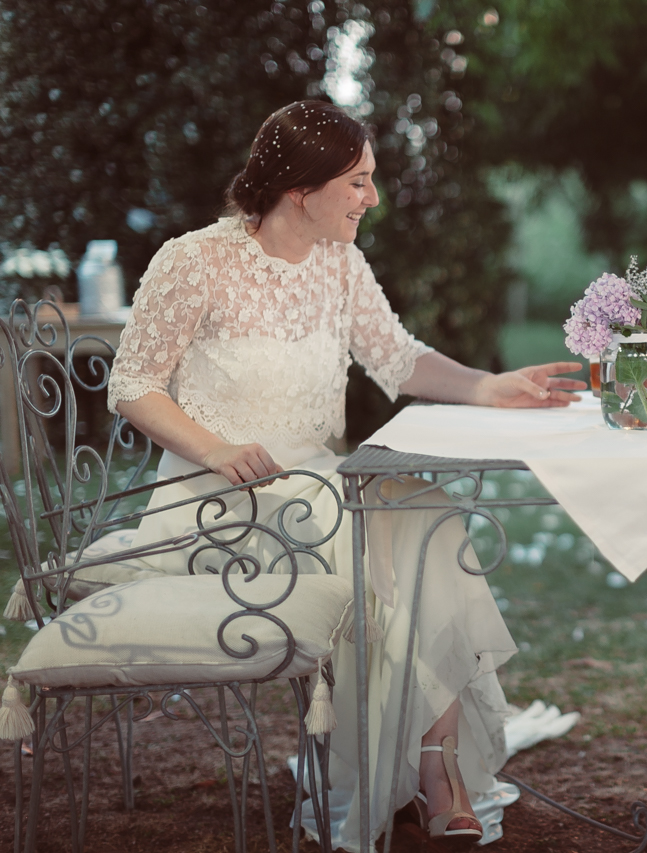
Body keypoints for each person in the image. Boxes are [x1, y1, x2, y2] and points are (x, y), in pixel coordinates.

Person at [106, 100, 584, 851]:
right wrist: (217, 449)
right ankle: (421, 775)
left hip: (315, 487)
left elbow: (397, 357)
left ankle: (432, 771)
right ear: (301, 189)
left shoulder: (340, 261)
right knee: (375, 544)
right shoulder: (193, 259)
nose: (373, 197)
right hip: (216, 498)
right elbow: (133, 385)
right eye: (358, 182)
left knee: (428, 517)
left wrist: (492, 385)